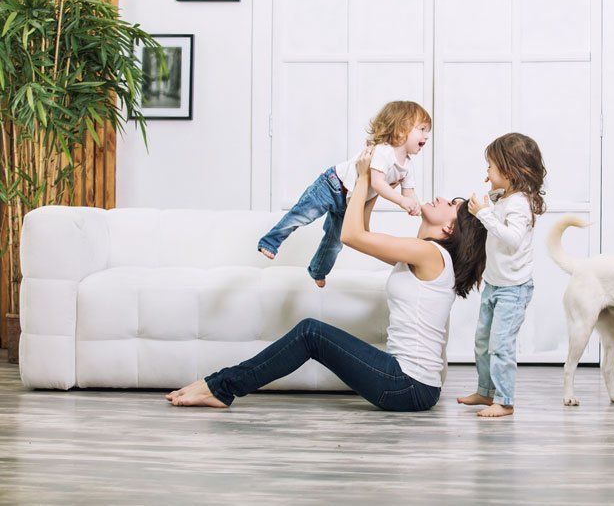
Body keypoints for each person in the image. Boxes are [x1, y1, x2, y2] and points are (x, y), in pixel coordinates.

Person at [167, 146, 487, 411]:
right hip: (410, 384)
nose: (443, 198)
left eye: (452, 206)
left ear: (449, 229)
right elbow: (364, 233)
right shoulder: (425, 254)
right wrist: (375, 183)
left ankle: (219, 387)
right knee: (311, 334)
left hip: (408, 386)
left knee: (311, 333)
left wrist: (362, 178)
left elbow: (349, 235)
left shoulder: (430, 254)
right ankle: (218, 386)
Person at [257, 101, 431, 288]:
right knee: (302, 215)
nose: (426, 136)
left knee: (335, 241)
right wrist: (402, 201)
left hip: (350, 202)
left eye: (427, 131)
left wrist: (416, 207)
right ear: (401, 130)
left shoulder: (407, 165)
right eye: (422, 129)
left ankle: (318, 270)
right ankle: (270, 241)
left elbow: (409, 192)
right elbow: (378, 184)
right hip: (333, 186)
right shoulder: (383, 152)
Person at [457, 133, 547, 417]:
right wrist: (488, 204)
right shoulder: (506, 197)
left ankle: (504, 400)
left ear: (508, 171)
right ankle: (486, 392)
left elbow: (512, 239)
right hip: (495, 284)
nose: (487, 173)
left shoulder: (519, 203)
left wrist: (485, 213)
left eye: (490, 167)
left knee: (500, 345)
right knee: (483, 342)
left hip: (513, 288)